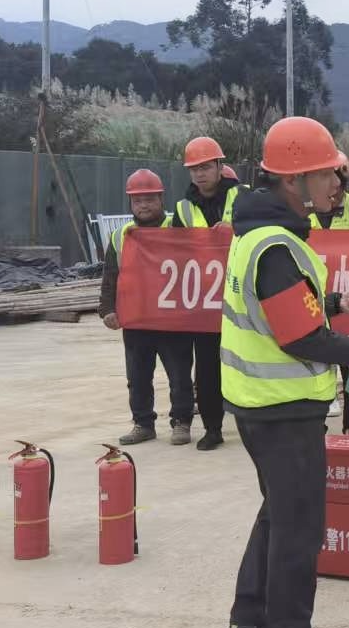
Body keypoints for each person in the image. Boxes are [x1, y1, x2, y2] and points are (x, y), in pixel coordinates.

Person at [219, 116, 349, 628]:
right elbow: (299, 336)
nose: (337, 183)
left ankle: (251, 621)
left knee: (278, 512)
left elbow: (288, 309)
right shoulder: (276, 246)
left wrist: (337, 302)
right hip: (282, 409)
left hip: (259, 404)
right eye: (326, 174)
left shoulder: (261, 235)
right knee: (299, 526)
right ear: (293, 180)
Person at [100, 169, 195, 447]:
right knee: (138, 377)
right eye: (138, 200)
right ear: (130, 203)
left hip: (173, 319)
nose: (144, 205)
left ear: (161, 199)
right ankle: (143, 423)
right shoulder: (121, 236)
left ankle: (182, 422)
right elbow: (111, 276)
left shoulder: (178, 229)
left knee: (179, 375)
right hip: (137, 318)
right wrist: (107, 309)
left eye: (150, 199)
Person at [172, 135, 246, 450]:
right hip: (203, 300)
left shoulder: (243, 197)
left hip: (242, 294)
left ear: (219, 166)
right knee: (206, 369)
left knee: (246, 363)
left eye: (205, 167)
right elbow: (173, 252)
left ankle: (252, 424)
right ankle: (212, 428)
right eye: (194, 169)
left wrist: (235, 230)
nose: (200, 174)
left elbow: (263, 229)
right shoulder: (183, 208)